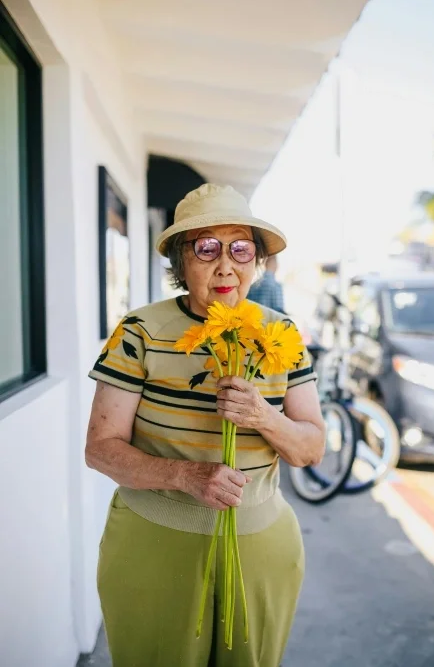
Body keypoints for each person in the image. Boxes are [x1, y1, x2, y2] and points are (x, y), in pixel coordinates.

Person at [85, 183, 325, 667]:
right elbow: (100, 448)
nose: (225, 266)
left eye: (240, 248)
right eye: (206, 247)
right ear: (180, 260)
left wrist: (262, 416)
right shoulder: (140, 331)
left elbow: (311, 448)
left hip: (262, 548)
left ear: (256, 260)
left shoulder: (281, 333)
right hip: (154, 546)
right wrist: (184, 476)